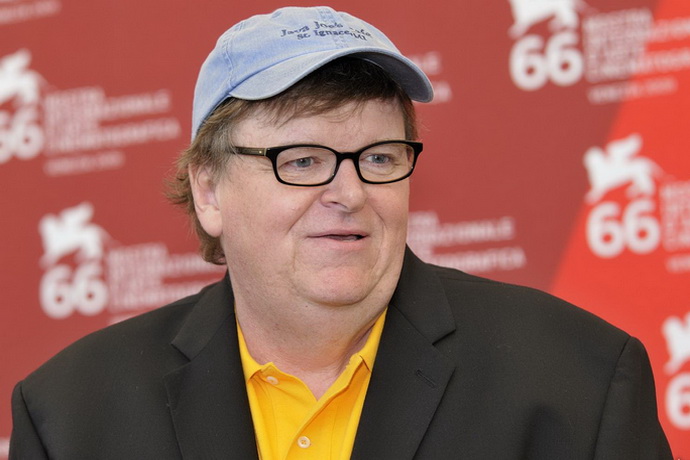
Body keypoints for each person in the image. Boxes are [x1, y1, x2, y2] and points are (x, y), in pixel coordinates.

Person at [10, 6, 672, 460]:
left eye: (378, 158)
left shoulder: (579, 383)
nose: (350, 194)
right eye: (301, 161)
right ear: (208, 190)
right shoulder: (71, 414)